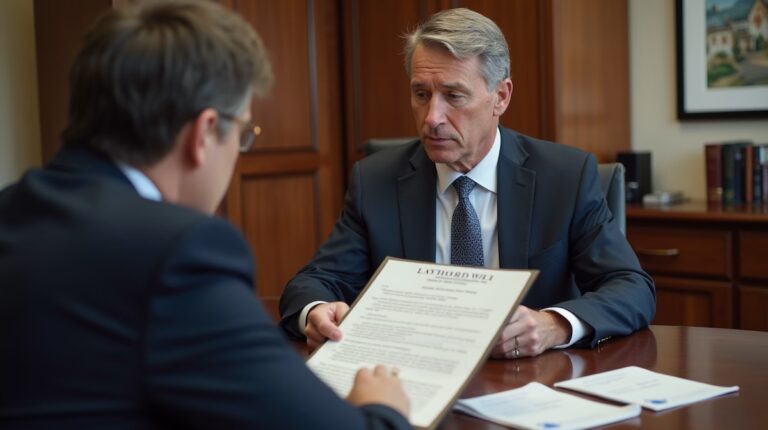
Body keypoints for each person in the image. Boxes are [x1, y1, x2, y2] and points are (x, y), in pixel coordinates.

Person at [0, 1, 411, 428]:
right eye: (243, 134)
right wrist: (383, 408)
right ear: (203, 133)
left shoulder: (14, 207)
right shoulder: (175, 254)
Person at [279, 8, 655, 358]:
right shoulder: (376, 179)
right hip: (415, 376)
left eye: (454, 96)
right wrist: (316, 311)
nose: (432, 118)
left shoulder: (565, 176)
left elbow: (631, 287)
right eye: (421, 94)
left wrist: (553, 324)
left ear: (501, 97)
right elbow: (313, 282)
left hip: (532, 381)